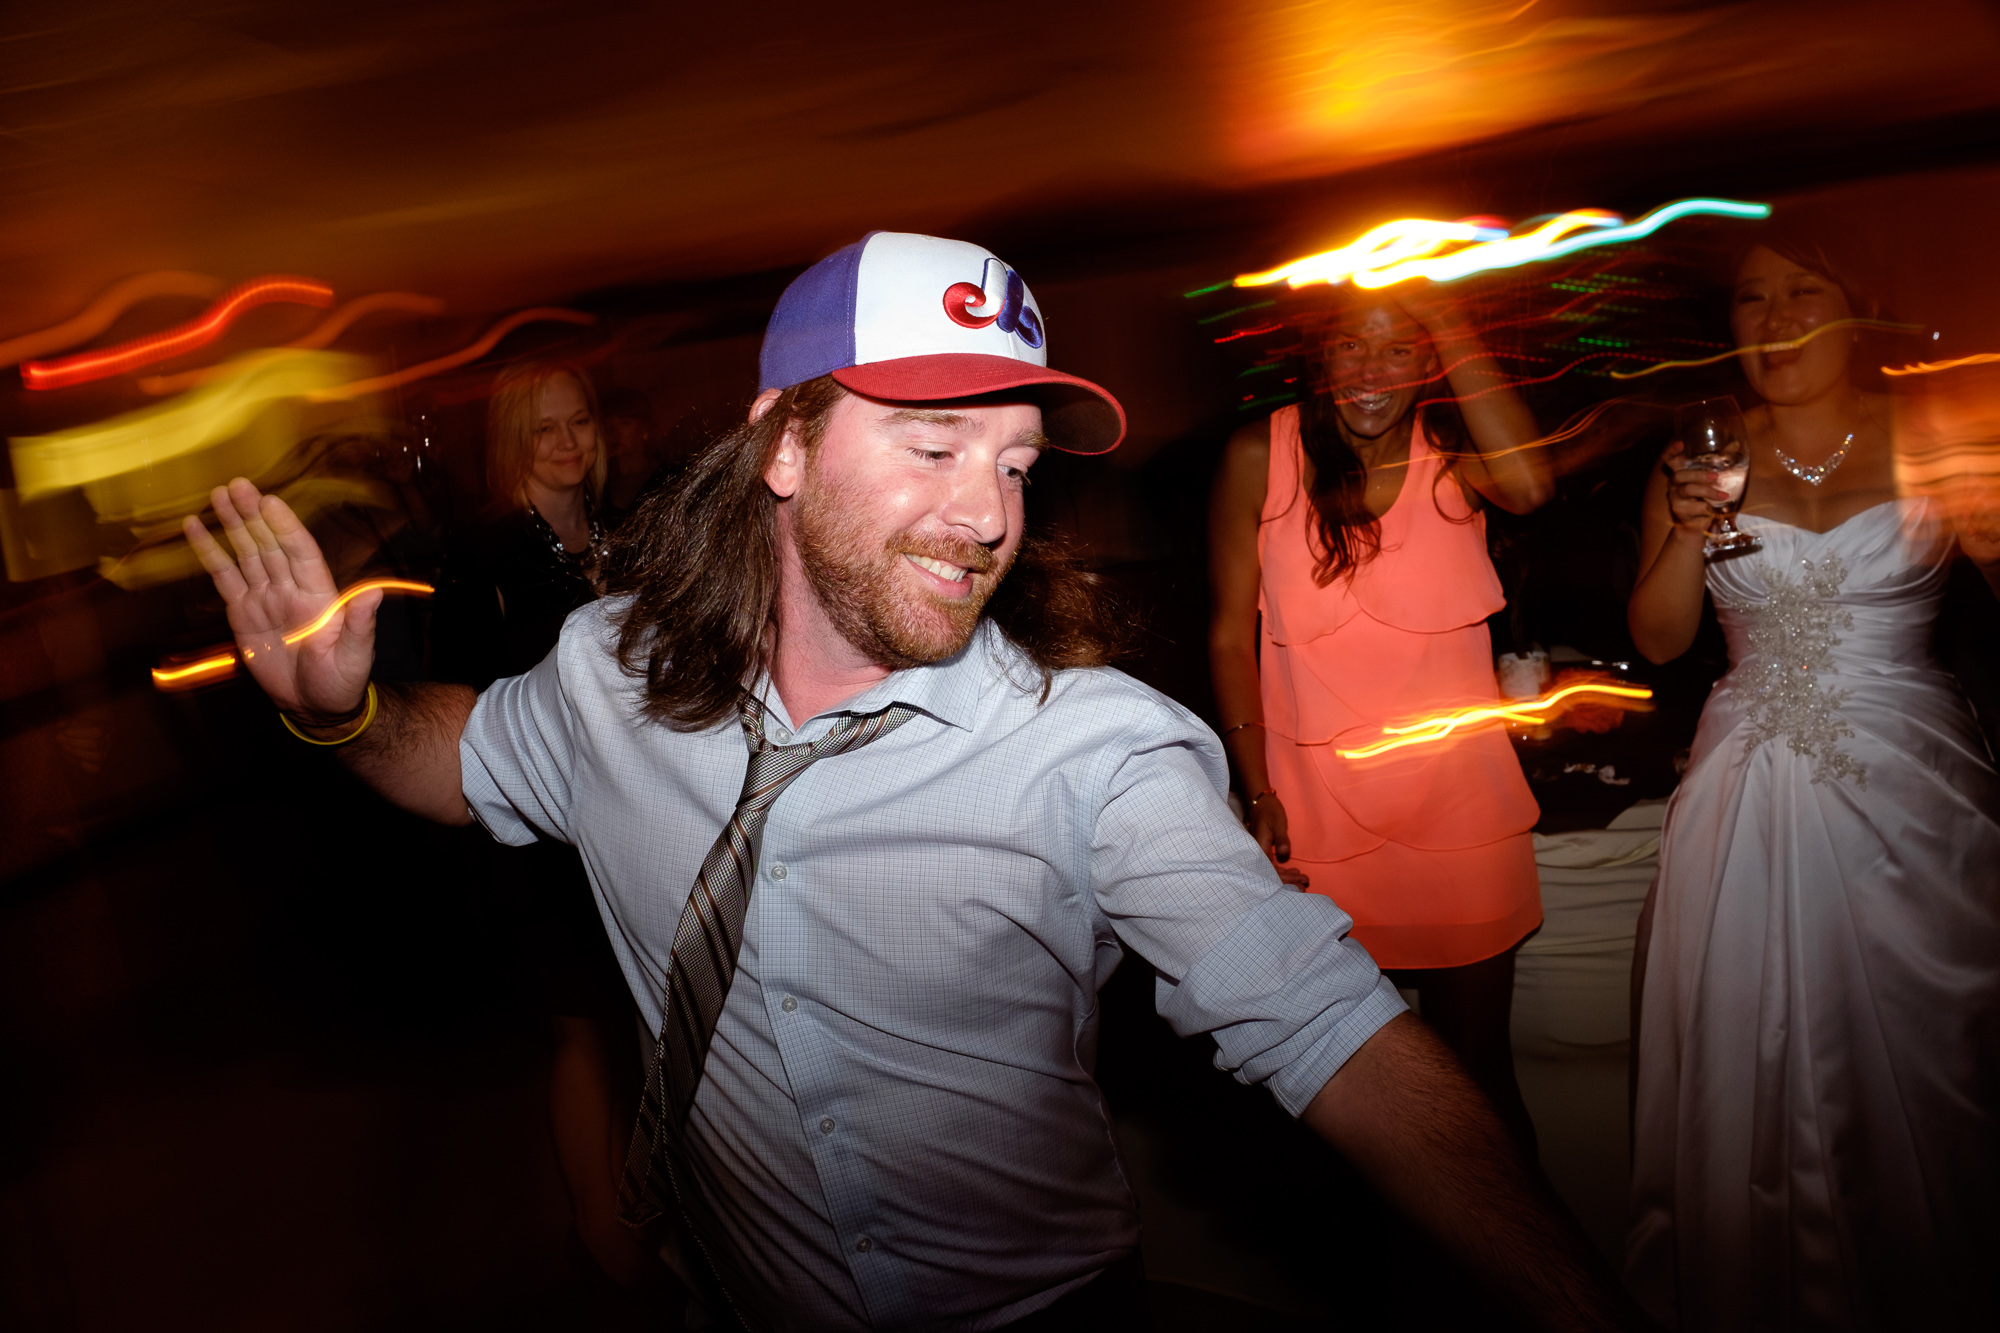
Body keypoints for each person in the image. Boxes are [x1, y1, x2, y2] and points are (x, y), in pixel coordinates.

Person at [183, 231, 1637, 1332]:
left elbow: (1341, 1040)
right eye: (935, 443)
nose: (986, 514)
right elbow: (472, 755)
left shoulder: (1092, 755)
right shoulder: (612, 672)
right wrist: (341, 710)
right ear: (783, 448)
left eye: (1014, 462)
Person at [1626, 231, 2000, 1327]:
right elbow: (1654, 642)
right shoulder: (1692, 453)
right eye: (1751, 299)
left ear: (1855, 311)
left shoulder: (1937, 432)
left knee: (1940, 1062)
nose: (1774, 319)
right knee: (1748, 1052)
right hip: (1742, 792)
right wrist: (1684, 535)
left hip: (1915, 789)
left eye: (1803, 293)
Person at [1208, 282, 1553, 1152]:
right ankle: (1393, 1287)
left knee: (1481, 1082)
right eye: (1350, 345)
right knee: (1351, 1095)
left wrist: (1447, 313)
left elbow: (1530, 484)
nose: (1370, 371)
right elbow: (1226, 637)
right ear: (1317, 355)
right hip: (1313, 817)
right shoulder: (1261, 452)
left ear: (1431, 358)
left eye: (1399, 346)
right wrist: (1254, 789)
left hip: (1464, 816)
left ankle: (1519, 1284)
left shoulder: (1454, 452)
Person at [428, 360, 660, 1293]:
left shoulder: (617, 532)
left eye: (579, 423)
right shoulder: (485, 555)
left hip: (624, 808)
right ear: (511, 446)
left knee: (631, 1020)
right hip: (540, 822)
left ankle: (633, 1201)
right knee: (581, 1028)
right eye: (544, 430)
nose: (568, 444)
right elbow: (467, 694)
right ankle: (600, 1227)